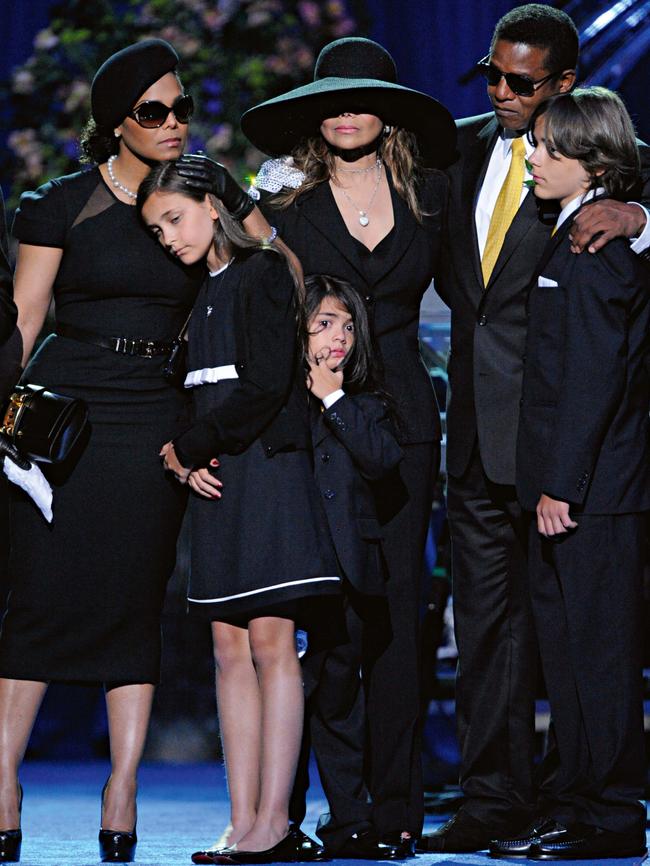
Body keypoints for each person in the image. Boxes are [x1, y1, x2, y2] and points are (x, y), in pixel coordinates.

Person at [0, 39, 257, 864]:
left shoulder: (199, 194)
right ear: (117, 123)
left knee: (133, 601)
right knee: (37, 595)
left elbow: (270, 271)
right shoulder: (61, 204)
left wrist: (233, 194)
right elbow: (23, 318)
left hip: (155, 419)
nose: (177, 123)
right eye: (156, 111)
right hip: (61, 420)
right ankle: (2, 779)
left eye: (184, 108)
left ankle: (123, 787)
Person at [421, 4, 650, 854]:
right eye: (494, 75)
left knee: (580, 630)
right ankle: (495, 799)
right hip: (477, 437)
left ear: (566, 83)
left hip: (562, 440)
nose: (503, 93)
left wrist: (640, 217)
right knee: (490, 628)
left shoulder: (608, 161)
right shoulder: (458, 144)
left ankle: (582, 800)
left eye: (522, 83)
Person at [235, 36, 455, 858]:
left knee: (398, 619)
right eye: (333, 100)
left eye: (363, 98)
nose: (349, 112)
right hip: (312, 424)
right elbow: (251, 305)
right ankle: (332, 809)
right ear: (313, 116)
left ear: (388, 109)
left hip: (402, 423)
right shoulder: (285, 203)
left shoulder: (430, 193)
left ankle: (396, 811)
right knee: (325, 624)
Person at [137, 159, 341, 865]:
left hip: (263, 470)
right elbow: (190, 387)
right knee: (228, 648)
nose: (167, 237)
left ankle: (274, 820)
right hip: (215, 476)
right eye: (156, 229)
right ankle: (242, 816)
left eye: (174, 218)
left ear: (210, 204)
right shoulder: (197, 293)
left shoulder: (260, 272)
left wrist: (190, 447)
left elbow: (263, 386)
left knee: (271, 644)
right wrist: (185, 455)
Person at [489, 86, 649, 861]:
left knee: (600, 657)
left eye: (550, 147)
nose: (533, 155)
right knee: (571, 656)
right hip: (574, 485)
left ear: (592, 158)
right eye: (535, 144)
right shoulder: (569, 233)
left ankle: (612, 814)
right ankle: (579, 806)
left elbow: (593, 378)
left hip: (594, 491)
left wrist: (564, 484)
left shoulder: (597, 248)